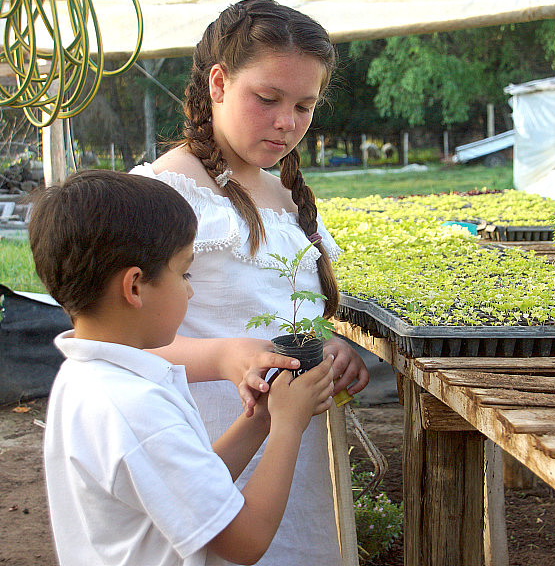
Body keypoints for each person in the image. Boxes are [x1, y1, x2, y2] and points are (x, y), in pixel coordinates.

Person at [131, 0, 369, 565]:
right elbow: (119, 340)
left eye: (305, 106)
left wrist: (327, 351)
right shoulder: (163, 195)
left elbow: (282, 317)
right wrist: (224, 357)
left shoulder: (284, 196)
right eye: (267, 99)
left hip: (294, 444)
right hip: (210, 440)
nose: (287, 121)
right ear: (218, 83)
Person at [29, 170, 335, 566]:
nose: (189, 289)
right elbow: (244, 541)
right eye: (184, 272)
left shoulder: (85, 378)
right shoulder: (137, 409)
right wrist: (289, 425)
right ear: (134, 287)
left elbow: (192, 489)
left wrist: (261, 419)